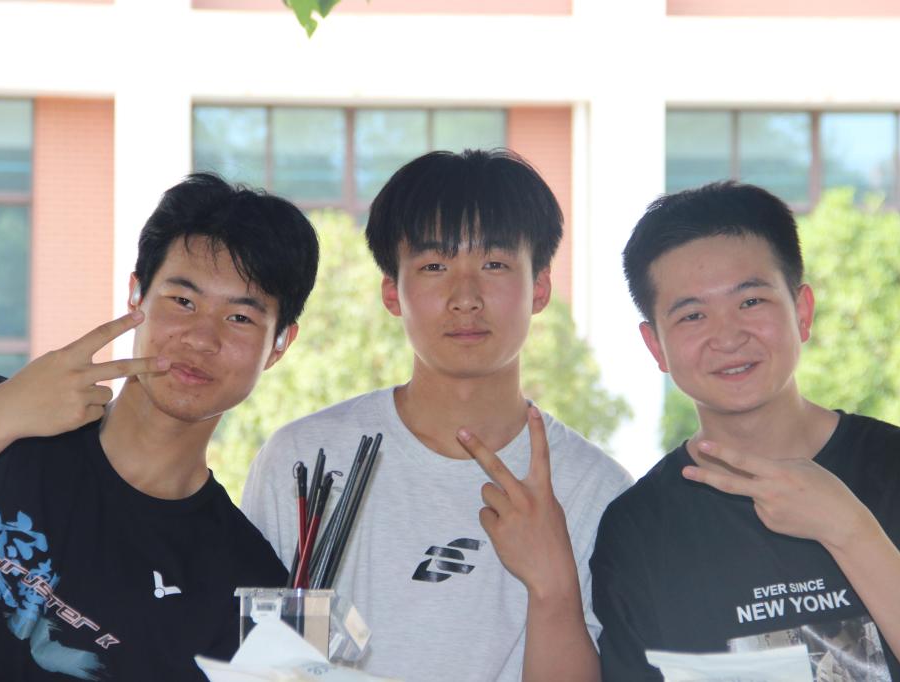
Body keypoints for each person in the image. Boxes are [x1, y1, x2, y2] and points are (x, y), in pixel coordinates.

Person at [243, 149, 632, 682]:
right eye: (434, 267)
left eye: (494, 265)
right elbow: (262, 666)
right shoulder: (305, 462)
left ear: (539, 287)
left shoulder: (599, 491)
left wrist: (553, 586)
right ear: (392, 292)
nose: (465, 297)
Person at [591, 181, 900, 681]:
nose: (728, 336)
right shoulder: (638, 531)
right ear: (656, 347)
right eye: (692, 315)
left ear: (802, 311)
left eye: (751, 301)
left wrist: (851, 531)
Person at [0, 173, 319, 681]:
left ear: (279, 344)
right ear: (136, 295)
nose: (201, 338)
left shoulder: (247, 589)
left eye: (240, 318)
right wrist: (0, 414)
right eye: (183, 301)